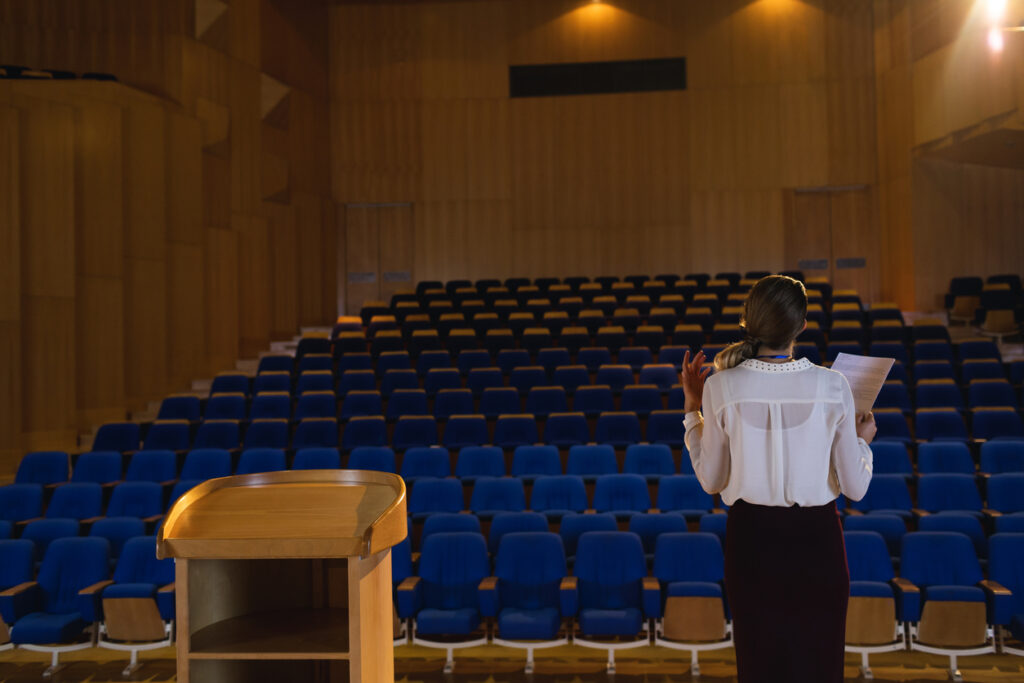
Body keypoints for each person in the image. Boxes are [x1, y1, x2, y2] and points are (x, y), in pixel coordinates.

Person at [680, 274, 876, 683]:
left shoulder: (720, 387)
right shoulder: (833, 385)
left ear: (749, 323)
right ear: (801, 326)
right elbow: (855, 488)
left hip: (753, 542)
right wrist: (862, 441)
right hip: (817, 540)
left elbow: (711, 481)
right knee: (819, 667)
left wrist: (692, 413)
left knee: (759, 666)